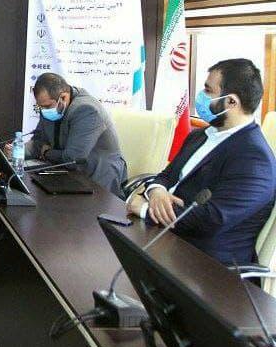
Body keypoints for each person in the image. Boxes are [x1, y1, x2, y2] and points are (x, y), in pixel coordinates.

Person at [127, 59, 276, 265]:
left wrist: (146, 211)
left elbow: (211, 220)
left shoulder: (255, 160)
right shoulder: (199, 135)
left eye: (208, 90)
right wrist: (157, 192)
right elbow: (166, 176)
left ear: (231, 102)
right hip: (162, 238)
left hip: (204, 264)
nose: (200, 96)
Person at [21, 73, 127, 197]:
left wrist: (46, 153)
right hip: (67, 175)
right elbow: (39, 140)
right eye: (41, 107)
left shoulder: (87, 110)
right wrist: (17, 152)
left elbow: (72, 159)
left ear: (63, 97)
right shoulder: (51, 107)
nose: (44, 111)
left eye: (47, 106)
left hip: (98, 180)